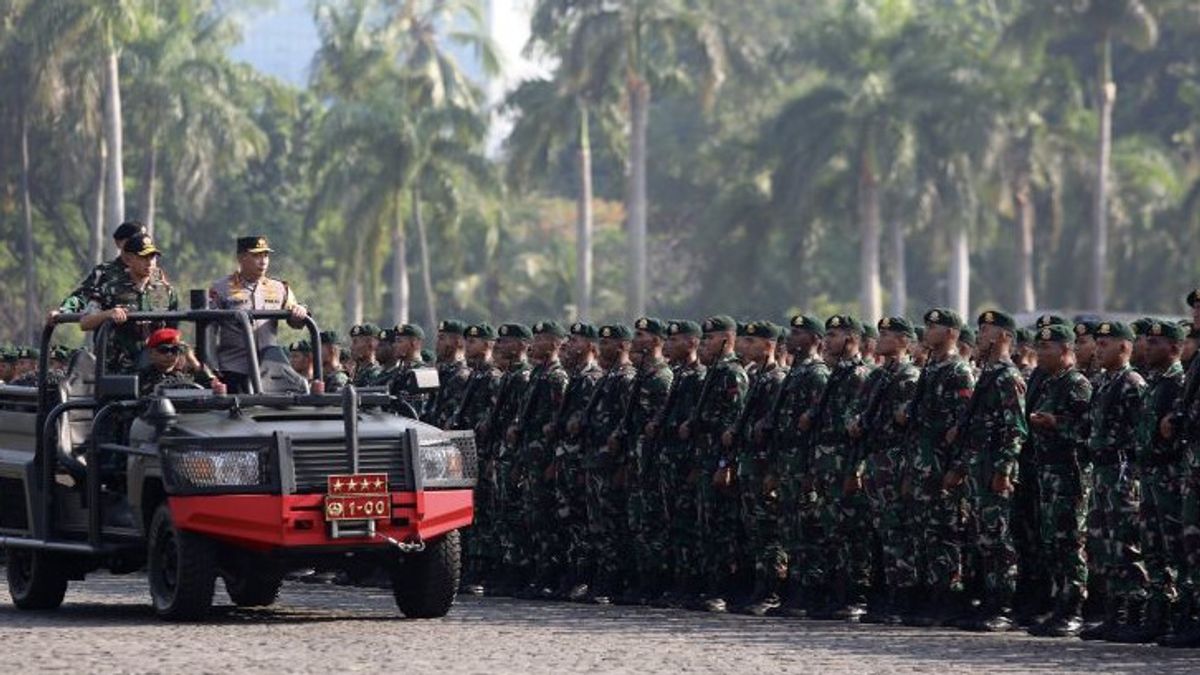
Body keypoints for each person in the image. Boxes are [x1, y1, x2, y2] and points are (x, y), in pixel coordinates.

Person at [944, 310, 1027, 632]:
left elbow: (1016, 429)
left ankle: (1002, 605)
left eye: (987, 330)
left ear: (1004, 337)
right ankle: (986, 600)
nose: (979, 335)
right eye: (979, 330)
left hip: (995, 469)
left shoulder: (1008, 377)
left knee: (998, 539)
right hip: (979, 468)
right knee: (982, 538)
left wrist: (1005, 468)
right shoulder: (987, 374)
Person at [903, 308, 975, 627]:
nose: (927, 331)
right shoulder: (931, 369)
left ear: (950, 334)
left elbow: (962, 427)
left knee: (945, 534)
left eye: (934, 327)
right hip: (923, 464)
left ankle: (948, 599)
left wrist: (957, 468)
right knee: (924, 533)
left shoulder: (958, 372)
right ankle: (930, 595)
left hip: (943, 466)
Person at [1079, 321, 1150, 642]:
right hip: (1103, 473)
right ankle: (1113, 612)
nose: (1098, 349)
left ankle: (1133, 613)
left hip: (1123, 474)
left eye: (1105, 343)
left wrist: (1132, 475)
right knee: (1102, 543)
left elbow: (1141, 436)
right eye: (1098, 343)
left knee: (1125, 543)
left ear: (1124, 347)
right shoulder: (1106, 382)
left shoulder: (1132, 382)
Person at [849, 316, 920, 624]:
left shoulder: (910, 377)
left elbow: (907, 425)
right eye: (881, 333)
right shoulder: (877, 376)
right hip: (876, 459)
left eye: (890, 334)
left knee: (898, 531)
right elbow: (860, 410)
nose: (882, 338)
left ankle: (904, 598)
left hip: (897, 460)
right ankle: (886, 594)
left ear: (905, 342)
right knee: (882, 530)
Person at [1025, 324, 1093, 638]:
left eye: (1047, 349)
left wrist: (1056, 423)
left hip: (1070, 475)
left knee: (1070, 543)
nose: (1040, 353)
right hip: (1047, 474)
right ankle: (1059, 604)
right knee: (1052, 541)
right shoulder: (1050, 383)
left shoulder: (1076, 383)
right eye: (1038, 348)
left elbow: (1086, 430)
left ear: (1066, 351)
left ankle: (1074, 608)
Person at [1121, 319, 1187, 643]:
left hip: (1170, 476)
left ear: (1175, 348)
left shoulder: (1179, 384)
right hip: (1148, 475)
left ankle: (1179, 614)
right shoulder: (1155, 382)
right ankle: (1158, 614)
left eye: (1156, 343)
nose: (1147, 347)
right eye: (1147, 342)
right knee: (1152, 547)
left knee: (1174, 545)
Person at [803, 315, 872, 620]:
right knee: (830, 529)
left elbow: (859, 430)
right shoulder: (836, 374)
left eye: (833, 335)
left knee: (851, 531)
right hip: (826, 463)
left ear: (850, 340)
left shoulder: (858, 375)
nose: (826, 341)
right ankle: (834, 592)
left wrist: (855, 470)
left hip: (845, 465)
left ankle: (855, 595)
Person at [679, 315, 748, 613]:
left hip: (720, 461)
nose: (704, 344)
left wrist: (725, 463)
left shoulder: (732, 374)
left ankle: (723, 589)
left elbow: (733, 426)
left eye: (709, 339)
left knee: (722, 527)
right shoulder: (713, 373)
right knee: (706, 525)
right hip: (705, 459)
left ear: (725, 340)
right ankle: (709, 585)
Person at [769, 314, 829, 618]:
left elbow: (816, 428)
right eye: (791, 331)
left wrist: (809, 470)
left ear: (815, 340)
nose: (791, 337)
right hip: (788, 461)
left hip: (804, 463)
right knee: (790, 528)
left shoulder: (816, 375)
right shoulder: (795, 372)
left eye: (799, 333)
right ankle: (794, 589)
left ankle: (809, 591)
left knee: (807, 529)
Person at [726, 320, 788, 616]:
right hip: (749, 463)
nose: (744, 346)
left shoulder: (776, 379)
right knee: (753, 529)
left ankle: (772, 590)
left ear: (768, 346)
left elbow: (775, 430)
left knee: (769, 530)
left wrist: (773, 471)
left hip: (764, 465)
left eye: (752, 342)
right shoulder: (757, 376)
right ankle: (757, 586)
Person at [506, 321, 570, 599]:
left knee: (548, 520)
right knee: (533, 517)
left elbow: (559, 422)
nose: (536, 343)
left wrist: (555, 460)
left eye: (543, 338)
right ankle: (536, 573)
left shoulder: (558, 377)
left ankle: (549, 576)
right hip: (530, 458)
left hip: (547, 460)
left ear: (557, 343)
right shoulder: (537, 375)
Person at [577, 324, 637, 605]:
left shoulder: (626, 379)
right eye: (600, 342)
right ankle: (602, 578)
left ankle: (614, 580)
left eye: (609, 343)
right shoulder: (608, 377)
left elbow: (628, 426)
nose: (602, 347)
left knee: (613, 524)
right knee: (598, 525)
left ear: (623, 346)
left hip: (613, 464)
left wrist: (623, 465)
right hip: (596, 462)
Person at [650, 320, 708, 608]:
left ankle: (693, 584)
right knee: (672, 523)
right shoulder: (679, 375)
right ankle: (678, 582)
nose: (668, 345)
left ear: (692, 344)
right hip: (670, 460)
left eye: (675, 341)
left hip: (690, 462)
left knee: (690, 525)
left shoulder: (700, 377)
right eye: (668, 340)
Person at [207, 236, 309, 393]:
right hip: (234, 370)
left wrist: (300, 311)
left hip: (270, 370)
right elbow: (208, 330)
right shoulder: (221, 288)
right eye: (256, 255)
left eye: (266, 255)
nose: (263, 261)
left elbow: (296, 321)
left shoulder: (279, 288)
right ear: (241, 258)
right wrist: (211, 368)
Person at [548, 322, 605, 600]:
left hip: (582, 462)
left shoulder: (592, 379)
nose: (569, 344)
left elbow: (590, 428)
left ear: (591, 347)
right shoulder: (576, 377)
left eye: (576, 340)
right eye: (569, 339)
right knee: (568, 520)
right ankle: (572, 575)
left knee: (585, 523)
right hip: (567, 461)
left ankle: (586, 576)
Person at [618, 317, 673, 604]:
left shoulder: (662, 377)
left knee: (654, 521)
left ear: (654, 341)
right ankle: (642, 580)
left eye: (640, 335)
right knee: (638, 520)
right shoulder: (642, 376)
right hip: (637, 459)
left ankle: (655, 583)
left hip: (654, 462)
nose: (635, 339)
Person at [80, 234, 179, 374]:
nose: (150, 262)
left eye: (153, 257)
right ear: (128, 259)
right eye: (143, 257)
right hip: (117, 372)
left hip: (155, 373)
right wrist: (108, 314)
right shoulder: (109, 289)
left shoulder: (166, 291)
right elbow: (85, 322)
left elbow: (172, 332)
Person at [453, 323, 503, 595]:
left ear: (487, 345)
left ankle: (484, 569)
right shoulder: (475, 376)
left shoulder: (493, 377)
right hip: (468, 452)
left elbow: (494, 418)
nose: (468, 346)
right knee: (471, 512)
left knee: (485, 512)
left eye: (474, 342)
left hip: (485, 454)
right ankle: (470, 566)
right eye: (467, 341)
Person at [54, 221, 147, 316]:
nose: (142, 243)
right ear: (119, 243)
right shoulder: (104, 272)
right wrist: (63, 311)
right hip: (114, 328)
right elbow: (83, 296)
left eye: (144, 238)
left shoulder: (153, 272)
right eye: (135, 239)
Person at [138, 328, 217, 396]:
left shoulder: (188, 377)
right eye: (163, 350)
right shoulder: (140, 378)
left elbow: (214, 387)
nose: (169, 355)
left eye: (174, 350)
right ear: (152, 353)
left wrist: (192, 360)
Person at [425, 319, 472, 428]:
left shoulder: (464, 374)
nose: (437, 343)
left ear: (458, 342)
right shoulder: (440, 371)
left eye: (442, 338)